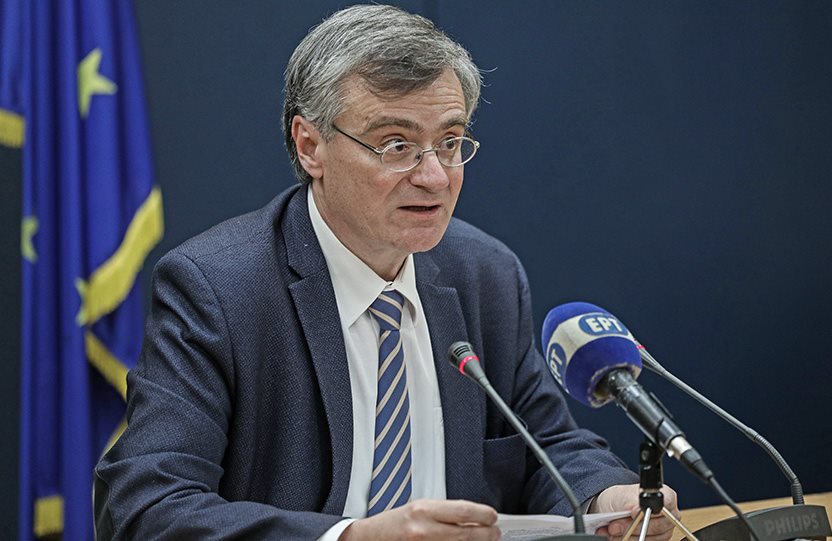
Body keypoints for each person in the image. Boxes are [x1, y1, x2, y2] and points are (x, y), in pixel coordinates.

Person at [94, 5, 680, 540]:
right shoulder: (218, 288)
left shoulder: (486, 275)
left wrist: (605, 495)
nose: (434, 176)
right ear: (310, 146)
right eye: (396, 145)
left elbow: (546, 446)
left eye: (450, 142)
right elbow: (145, 508)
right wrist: (352, 538)